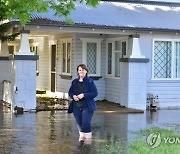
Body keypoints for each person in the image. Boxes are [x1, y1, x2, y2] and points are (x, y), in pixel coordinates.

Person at [68, 64, 98, 141]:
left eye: (83, 70)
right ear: (78, 72)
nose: (81, 71)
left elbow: (95, 93)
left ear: (86, 71)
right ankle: (81, 145)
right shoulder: (74, 82)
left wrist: (84, 95)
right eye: (80, 70)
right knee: (80, 125)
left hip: (87, 107)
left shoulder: (90, 81)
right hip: (76, 107)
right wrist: (73, 96)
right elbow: (70, 92)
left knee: (86, 124)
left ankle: (88, 144)